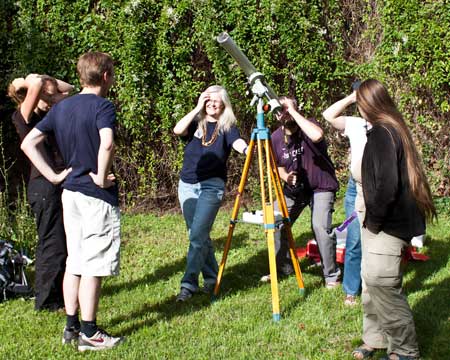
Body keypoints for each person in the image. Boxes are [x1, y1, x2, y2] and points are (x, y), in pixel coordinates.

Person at [21, 52, 124, 351]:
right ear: (105, 76)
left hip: (70, 194)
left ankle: (71, 326)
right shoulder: (103, 106)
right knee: (93, 263)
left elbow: (28, 143)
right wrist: (101, 176)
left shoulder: (62, 108)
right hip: (94, 196)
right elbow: (107, 142)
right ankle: (90, 333)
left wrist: (53, 176)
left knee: (75, 261)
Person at [351, 79, 436, 360]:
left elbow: (386, 186)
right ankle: (374, 338)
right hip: (379, 221)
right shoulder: (387, 127)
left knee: (384, 284)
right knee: (370, 280)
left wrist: (374, 221)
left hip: (386, 223)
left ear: (366, 103)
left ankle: (405, 350)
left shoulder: (383, 132)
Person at [173, 85, 248, 302]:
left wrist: (247, 149)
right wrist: (197, 107)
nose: (212, 104)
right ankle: (212, 277)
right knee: (197, 234)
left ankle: (188, 284)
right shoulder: (196, 122)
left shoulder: (227, 126)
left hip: (211, 185)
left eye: (216, 101)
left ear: (224, 104)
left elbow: (236, 142)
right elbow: (178, 130)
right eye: (208, 100)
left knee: (197, 234)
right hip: (187, 184)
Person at [8, 73, 73, 311]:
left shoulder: (47, 115)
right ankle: (47, 301)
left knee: (61, 243)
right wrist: (26, 81)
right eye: (46, 95)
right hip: (44, 187)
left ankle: (60, 294)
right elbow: (33, 85)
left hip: (56, 185)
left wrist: (48, 83)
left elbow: (69, 88)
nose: (52, 98)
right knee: (51, 244)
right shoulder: (22, 117)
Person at [269, 96, 340, 288]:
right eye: (281, 110)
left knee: (319, 226)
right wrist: (285, 177)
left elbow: (317, 136)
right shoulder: (275, 137)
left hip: (321, 185)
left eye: (287, 108)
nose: (284, 113)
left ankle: (331, 275)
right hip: (296, 189)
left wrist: (292, 111)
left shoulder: (309, 125)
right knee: (274, 220)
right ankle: (284, 267)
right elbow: (275, 166)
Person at [323, 89, 369, 305]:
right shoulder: (356, 123)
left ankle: (379, 282)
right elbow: (328, 115)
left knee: (373, 235)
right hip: (353, 187)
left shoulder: (385, 125)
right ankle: (351, 289)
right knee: (354, 237)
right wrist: (351, 97)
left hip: (374, 189)